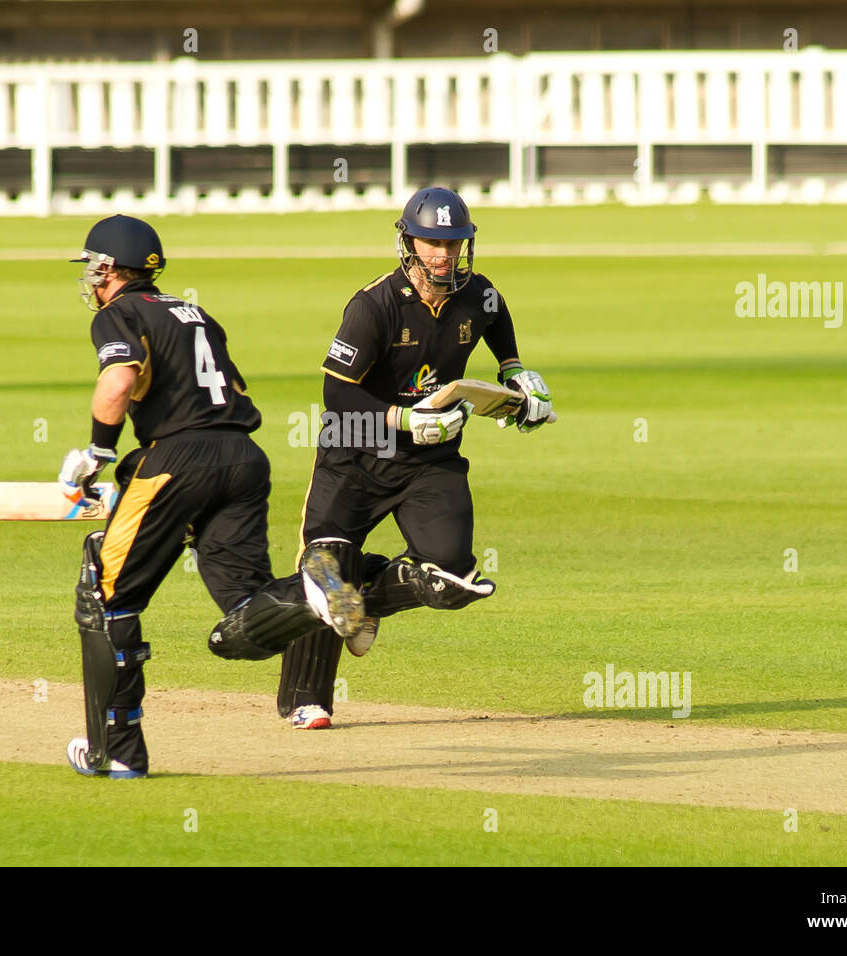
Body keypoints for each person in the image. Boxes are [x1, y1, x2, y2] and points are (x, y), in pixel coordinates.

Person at [59, 214, 364, 777]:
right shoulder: (196, 313)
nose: (91, 281)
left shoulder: (119, 313)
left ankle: (118, 751)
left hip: (178, 462)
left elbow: (120, 382)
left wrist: (99, 450)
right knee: (245, 611)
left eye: (93, 269)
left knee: (106, 598)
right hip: (243, 458)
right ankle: (311, 592)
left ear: (108, 268)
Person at [276, 186, 554, 729]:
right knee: (326, 569)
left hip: (430, 463)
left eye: (453, 243)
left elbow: (495, 321)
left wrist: (515, 371)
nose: (443, 255)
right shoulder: (373, 305)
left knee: (453, 579)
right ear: (409, 242)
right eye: (432, 242)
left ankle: (369, 603)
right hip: (355, 452)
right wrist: (402, 419)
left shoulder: (480, 294)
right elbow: (337, 395)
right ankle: (306, 698)